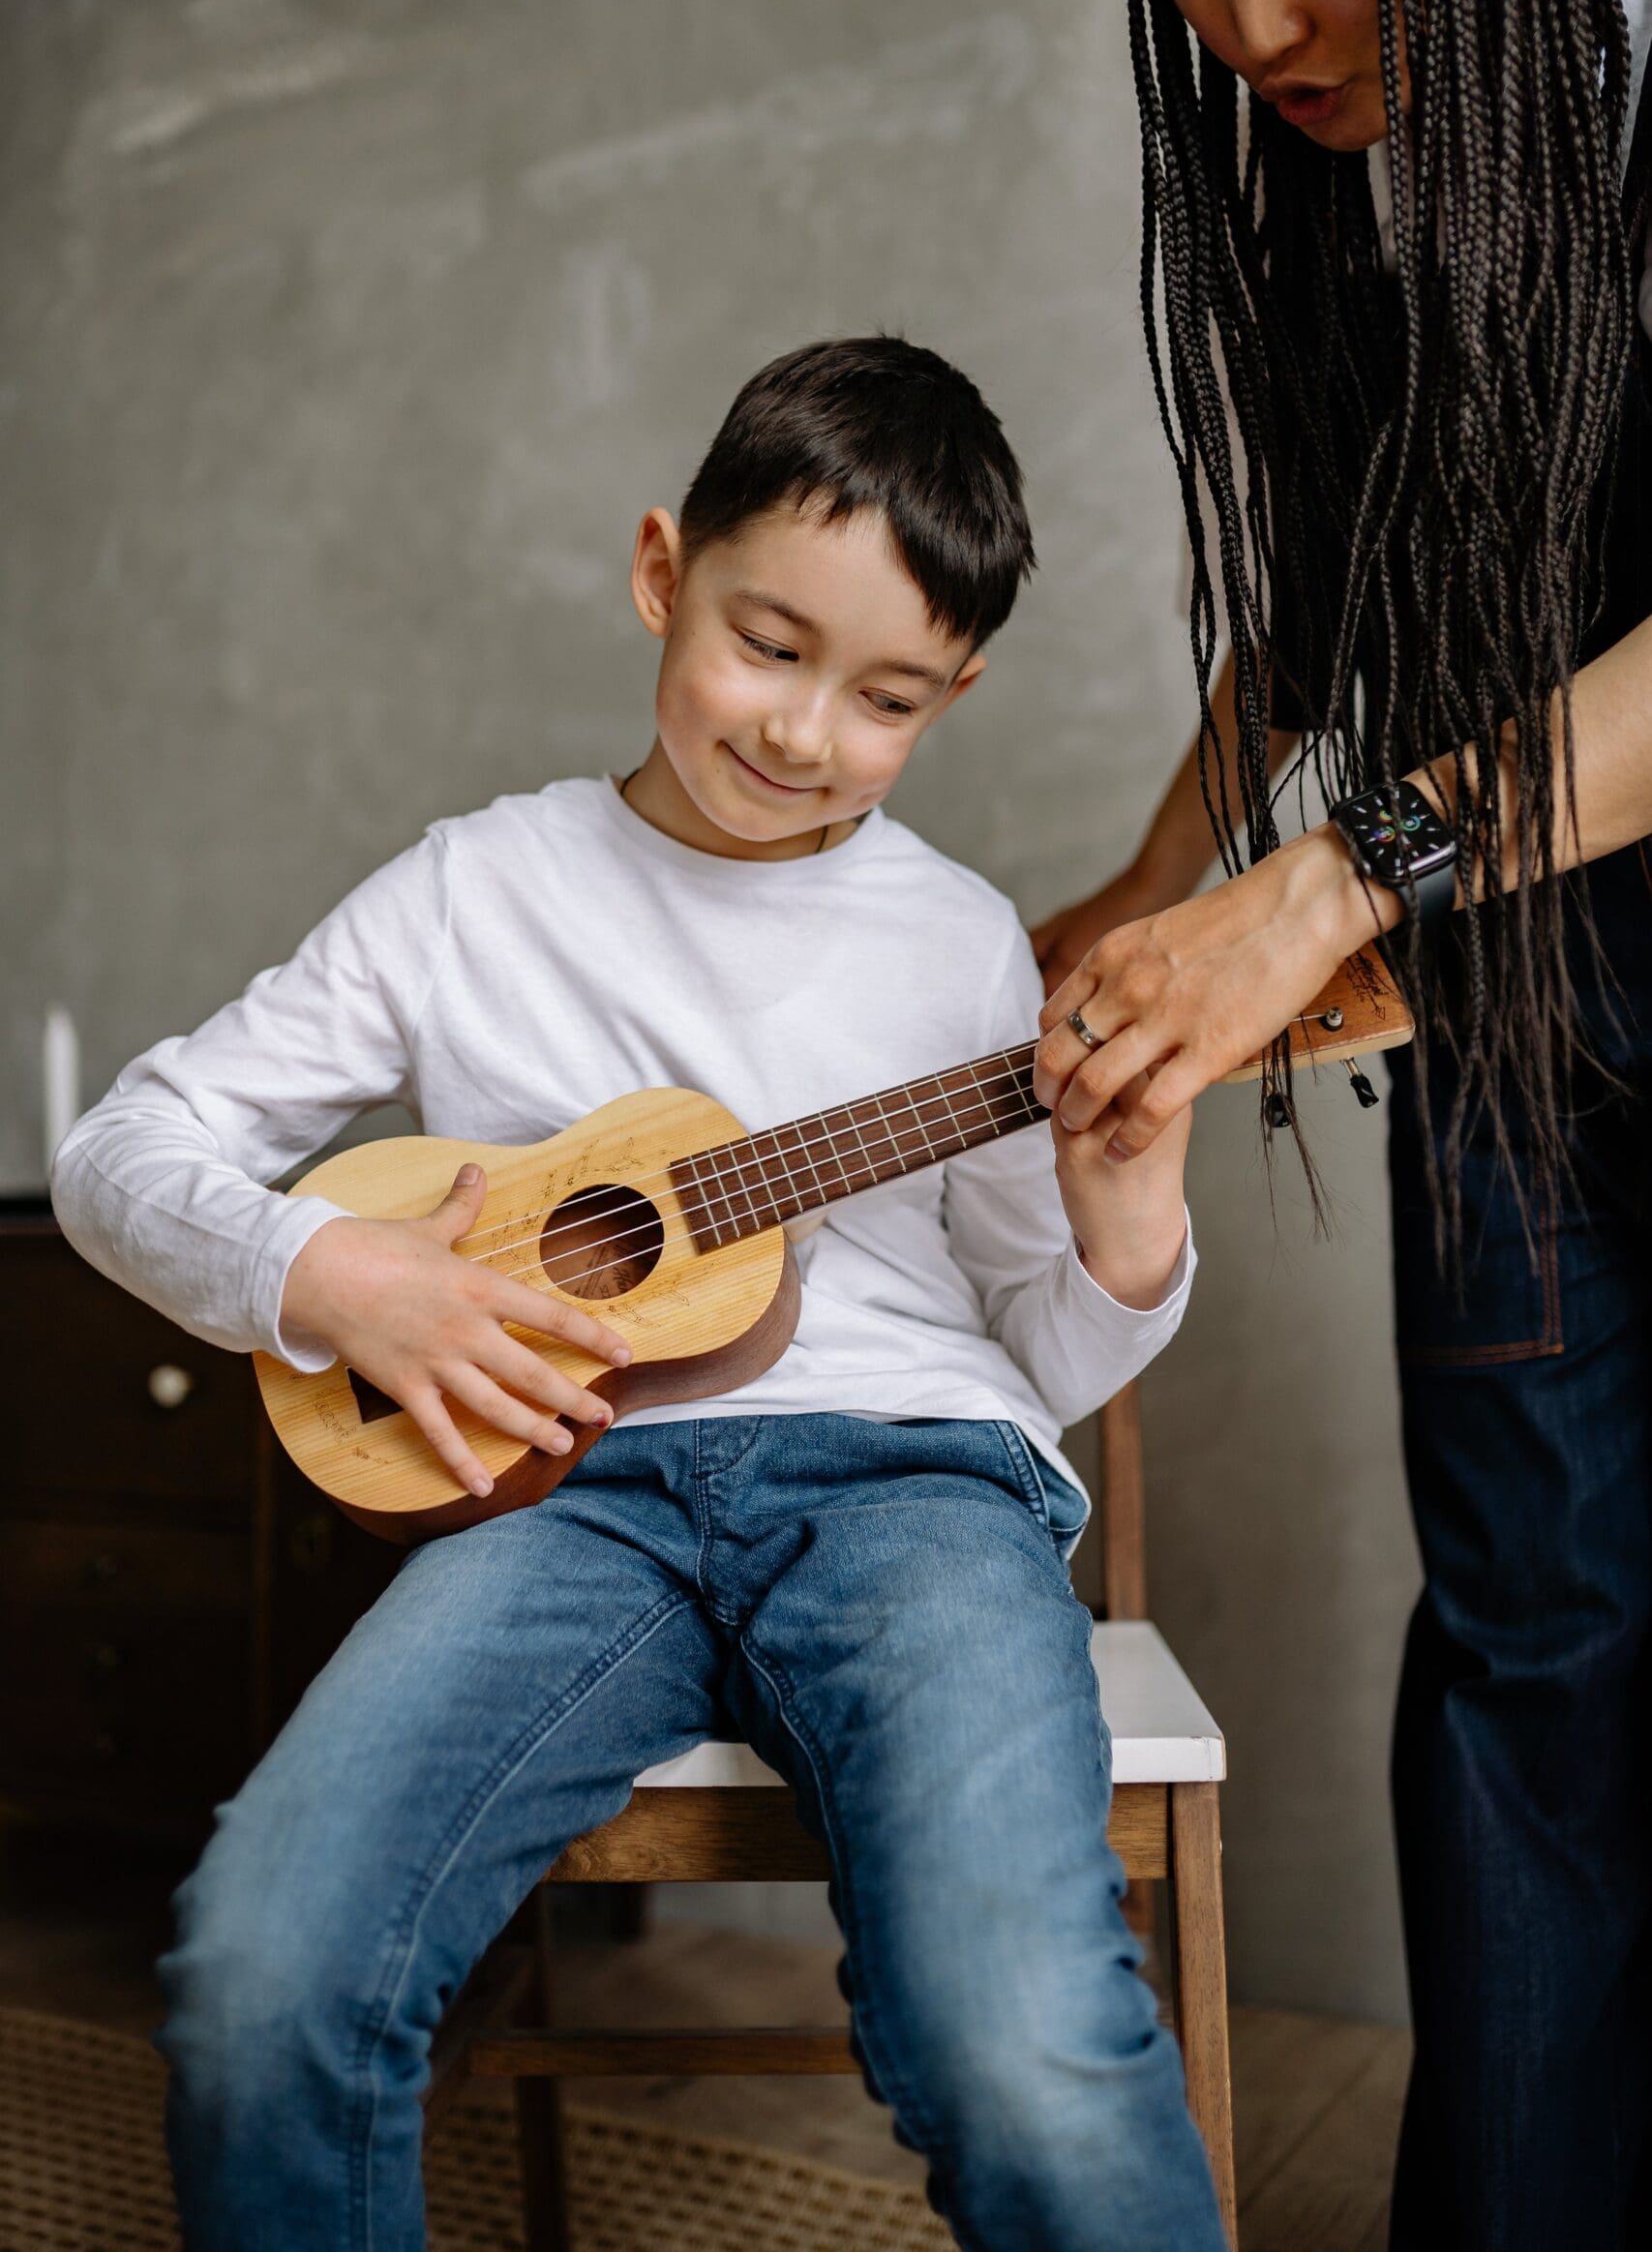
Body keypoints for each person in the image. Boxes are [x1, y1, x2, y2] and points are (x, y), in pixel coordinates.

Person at [52, 334, 1226, 2252]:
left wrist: (1125, 1216)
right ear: (660, 570)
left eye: (885, 699)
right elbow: (124, 1150)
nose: (800, 730)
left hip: (911, 1485)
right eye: (767, 643)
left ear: (956, 695)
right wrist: (337, 1271)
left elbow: (1049, 1345)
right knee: (264, 1972)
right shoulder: (469, 891)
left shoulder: (956, 944)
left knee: (1020, 2034)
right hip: (574, 1496)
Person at [1032, 0, 1652, 2250]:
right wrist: (1148, 878)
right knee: (1535, 1662)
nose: (1257, 28)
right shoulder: (1343, 131)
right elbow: (1351, 550)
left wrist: (1329, 877)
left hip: (1452, 883)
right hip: (1517, 1012)